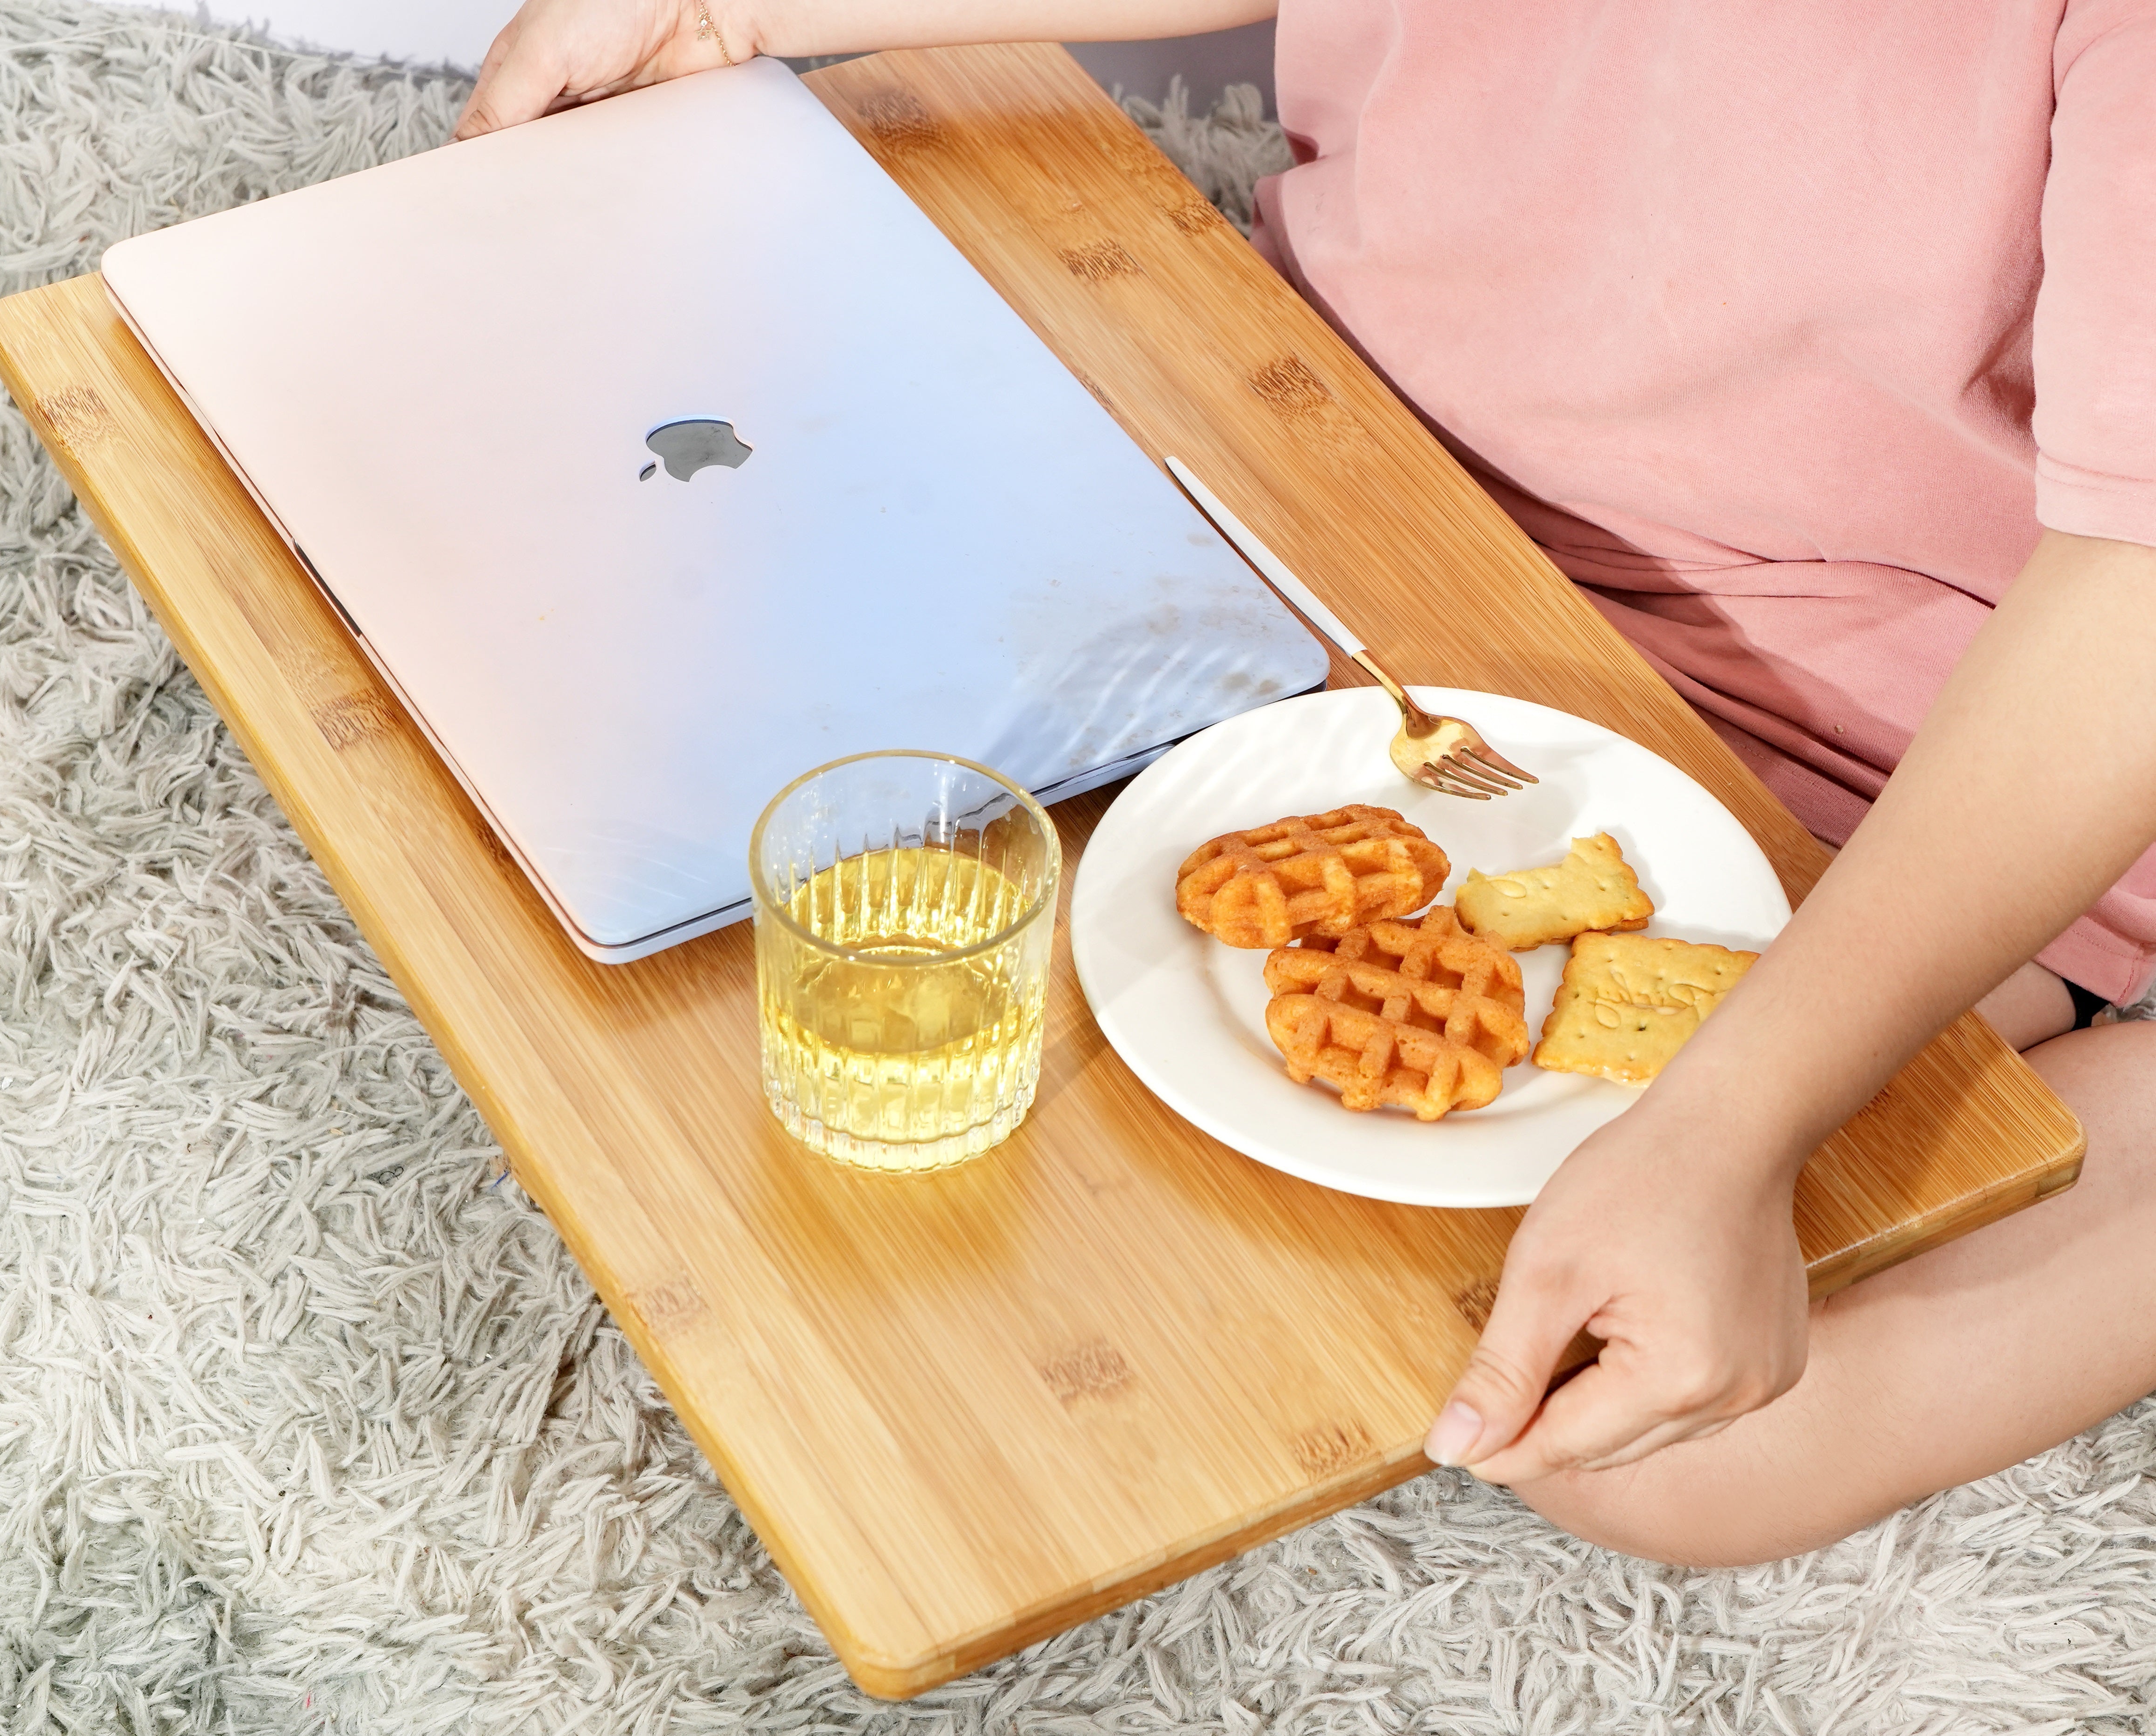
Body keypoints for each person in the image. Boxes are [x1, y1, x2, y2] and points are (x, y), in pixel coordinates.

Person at [455, 0, 2156, 1567]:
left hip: (1872, 744)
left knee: (1630, 1432)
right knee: (759, 799)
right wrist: (732, 7)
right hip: (1335, 475)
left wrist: (1737, 1112)